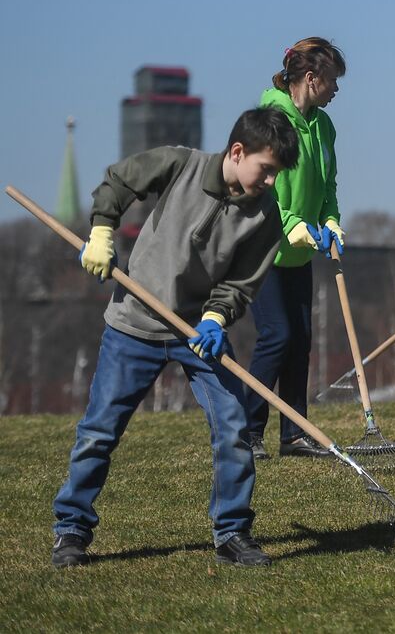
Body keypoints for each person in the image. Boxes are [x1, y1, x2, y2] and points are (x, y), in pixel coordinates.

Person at [52, 107, 300, 569]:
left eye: (277, 174)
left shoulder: (266, 216)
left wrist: (215, 318)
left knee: (235, 431)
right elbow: (118, 181)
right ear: (238, 151)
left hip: (200, 336)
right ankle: (71, 529)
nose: (270, 182)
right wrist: (103, 230)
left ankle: (232, 533)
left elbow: (241, 284)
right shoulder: (179, 164)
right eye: (266, 170)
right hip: (135, 324)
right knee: (99, 432)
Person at [244, 37, 346, 460]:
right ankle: (246, 433)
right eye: (333, 81)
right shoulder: (270, 123)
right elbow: (263, 192)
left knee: (301, 338)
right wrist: (296, 227)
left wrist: (330, 219)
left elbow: (327, 186)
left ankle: (294, 432)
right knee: (277, 336)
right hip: (264, 248)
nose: (337, 90)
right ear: (311, 78)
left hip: (299, 253)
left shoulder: (324, 127)